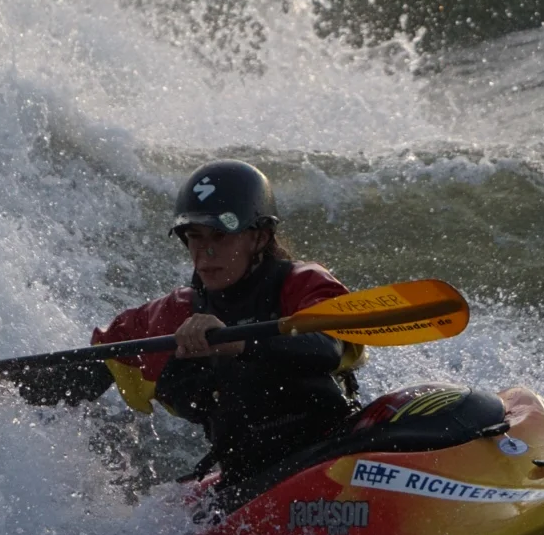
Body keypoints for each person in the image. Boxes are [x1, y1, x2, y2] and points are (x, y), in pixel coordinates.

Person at [75, 160, 363, 485]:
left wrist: (238, 343)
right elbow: (95, 366)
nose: (205, 252)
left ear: (259, 238)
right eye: (195, 237)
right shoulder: (177, 311)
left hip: (325, 455)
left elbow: (327, 347)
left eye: (220, 236)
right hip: (248, 480)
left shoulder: (302, 282)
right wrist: (11, 393)